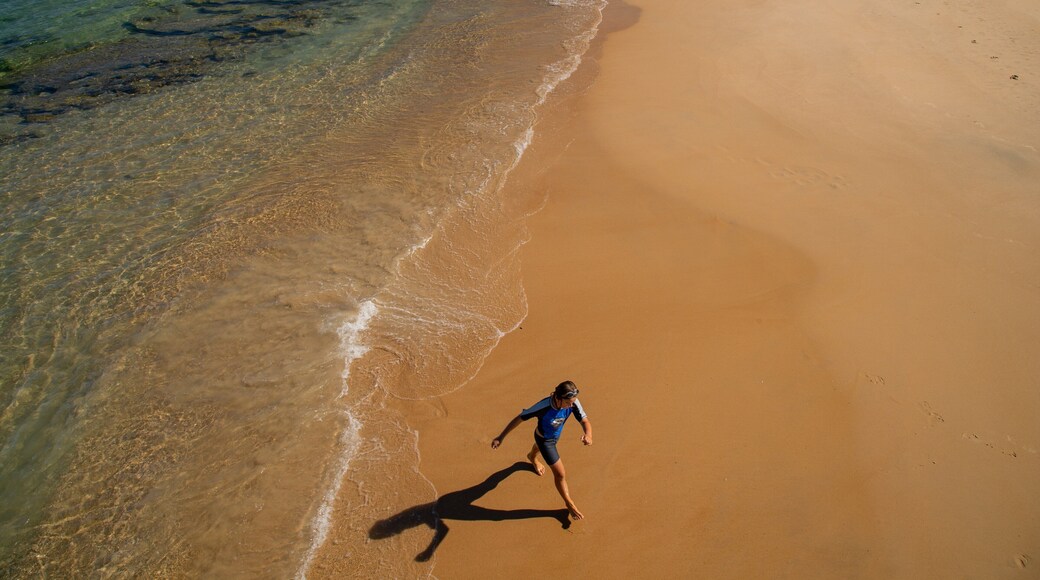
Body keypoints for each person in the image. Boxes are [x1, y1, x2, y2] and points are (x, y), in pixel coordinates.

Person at [491, 380, 592, 519]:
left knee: (538, 450)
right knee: (560, 474)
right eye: (568, 402)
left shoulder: (573, 402)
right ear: (558, 398)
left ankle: (532, 456)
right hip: (545, 441)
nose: (571, 405)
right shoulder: (543, 406)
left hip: (555, 436)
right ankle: (569, 503)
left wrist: (588, 435)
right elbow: (520, 418)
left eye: (573, 402)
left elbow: (585, 421)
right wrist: (501, 437)